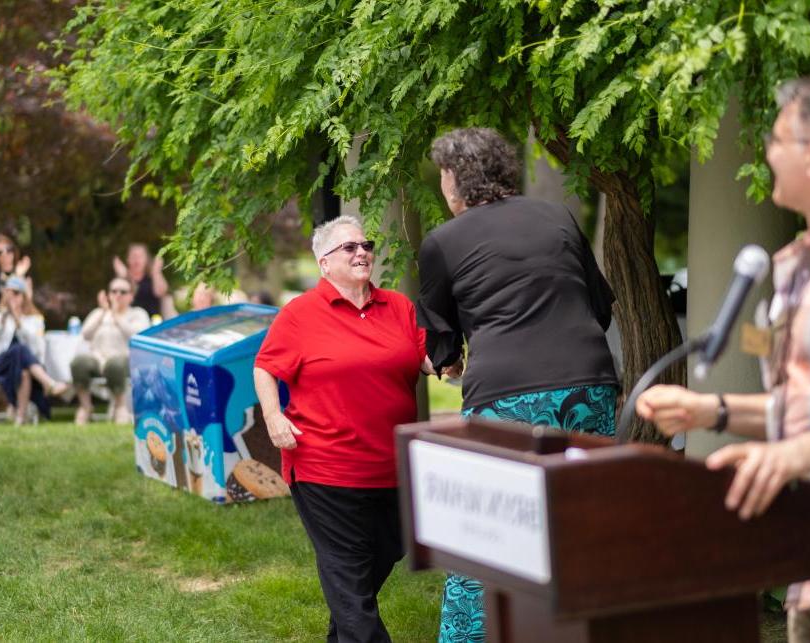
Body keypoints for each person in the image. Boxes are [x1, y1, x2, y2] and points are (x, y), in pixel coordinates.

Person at [636, 75, 810, 643]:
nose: (766, 152)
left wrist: (797, 452)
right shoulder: (796, 264)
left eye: (776, 141)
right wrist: (711, 411)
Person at [417, 127, 619, 641]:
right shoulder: (557, 217)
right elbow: (599, 303)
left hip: (508, 391)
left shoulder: (443, 241)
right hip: (587, 381)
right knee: (585, 516)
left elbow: (439, 329)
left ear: (457, 182)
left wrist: (447, 361)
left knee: (487, 525)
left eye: (443, 175)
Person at [253, 215, 431, 642]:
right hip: (325, 467)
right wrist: (274, 417)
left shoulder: (398, 307)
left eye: (366, 245)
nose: (362, 252)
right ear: (323, 263)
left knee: (387, 551)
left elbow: (427, 358)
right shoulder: (300, 314)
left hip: (391, 465)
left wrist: (456, 362)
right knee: (349, 573)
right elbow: (265, 367)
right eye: (349, 247)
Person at [0, 276, 66, 425]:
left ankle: (20, 418)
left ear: (24, 296)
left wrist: (18, 320)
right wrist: (5, 315)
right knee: (19, 349)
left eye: (16, 293)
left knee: (24, 370)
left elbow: (36, 346)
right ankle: (48, 383)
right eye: (9, 293)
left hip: (24, 365)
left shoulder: (35, 319)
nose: (12, 298)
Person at [70, 276, 149, 425]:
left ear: (131, 296)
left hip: (124, 359)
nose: (117, 295)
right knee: (78, 363)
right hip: (97, 359)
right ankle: (85, 406)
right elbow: (86, 334)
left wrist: (116, 315)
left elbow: (136, 336)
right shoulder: (98, 313)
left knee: (115, 364)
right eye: (113, 291)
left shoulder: (138, 314)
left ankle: (120, 407)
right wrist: (102, 314)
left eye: (123, 292)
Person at [113, 243, 173, 319]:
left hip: (153, 322)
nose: (137, 259)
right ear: (128, 259)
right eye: (134, 256)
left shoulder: (151, 278)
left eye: (140, 256)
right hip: (129, 321)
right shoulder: (122, 279)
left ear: (146, 259)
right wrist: (125, 277)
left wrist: (156, 272)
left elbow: (162, 293)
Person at [0, 232, 33, 314]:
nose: (5, 255)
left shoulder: (22, 271)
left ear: (14, 251)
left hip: (17, 320)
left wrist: (19, 276)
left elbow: (28, 302)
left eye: (9, 250)